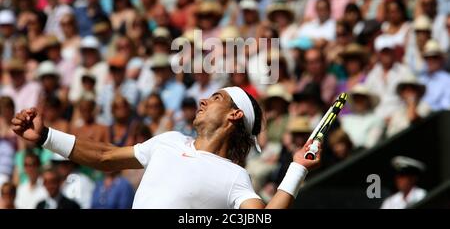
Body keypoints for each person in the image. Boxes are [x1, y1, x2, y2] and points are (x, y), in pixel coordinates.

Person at [12, 86, 322, 209]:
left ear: (234, 115)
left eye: (216, 98)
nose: (203, 100)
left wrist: (297, 169)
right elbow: (105, 156)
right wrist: (46, 137)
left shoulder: (235, 177)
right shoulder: (168, 141)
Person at [340, 84, 384, 149]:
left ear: (368, 101)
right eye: (356, 99)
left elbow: (371, 144)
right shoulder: (346, 120)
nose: (358, 101)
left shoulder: (377, 120)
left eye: (362, 98)